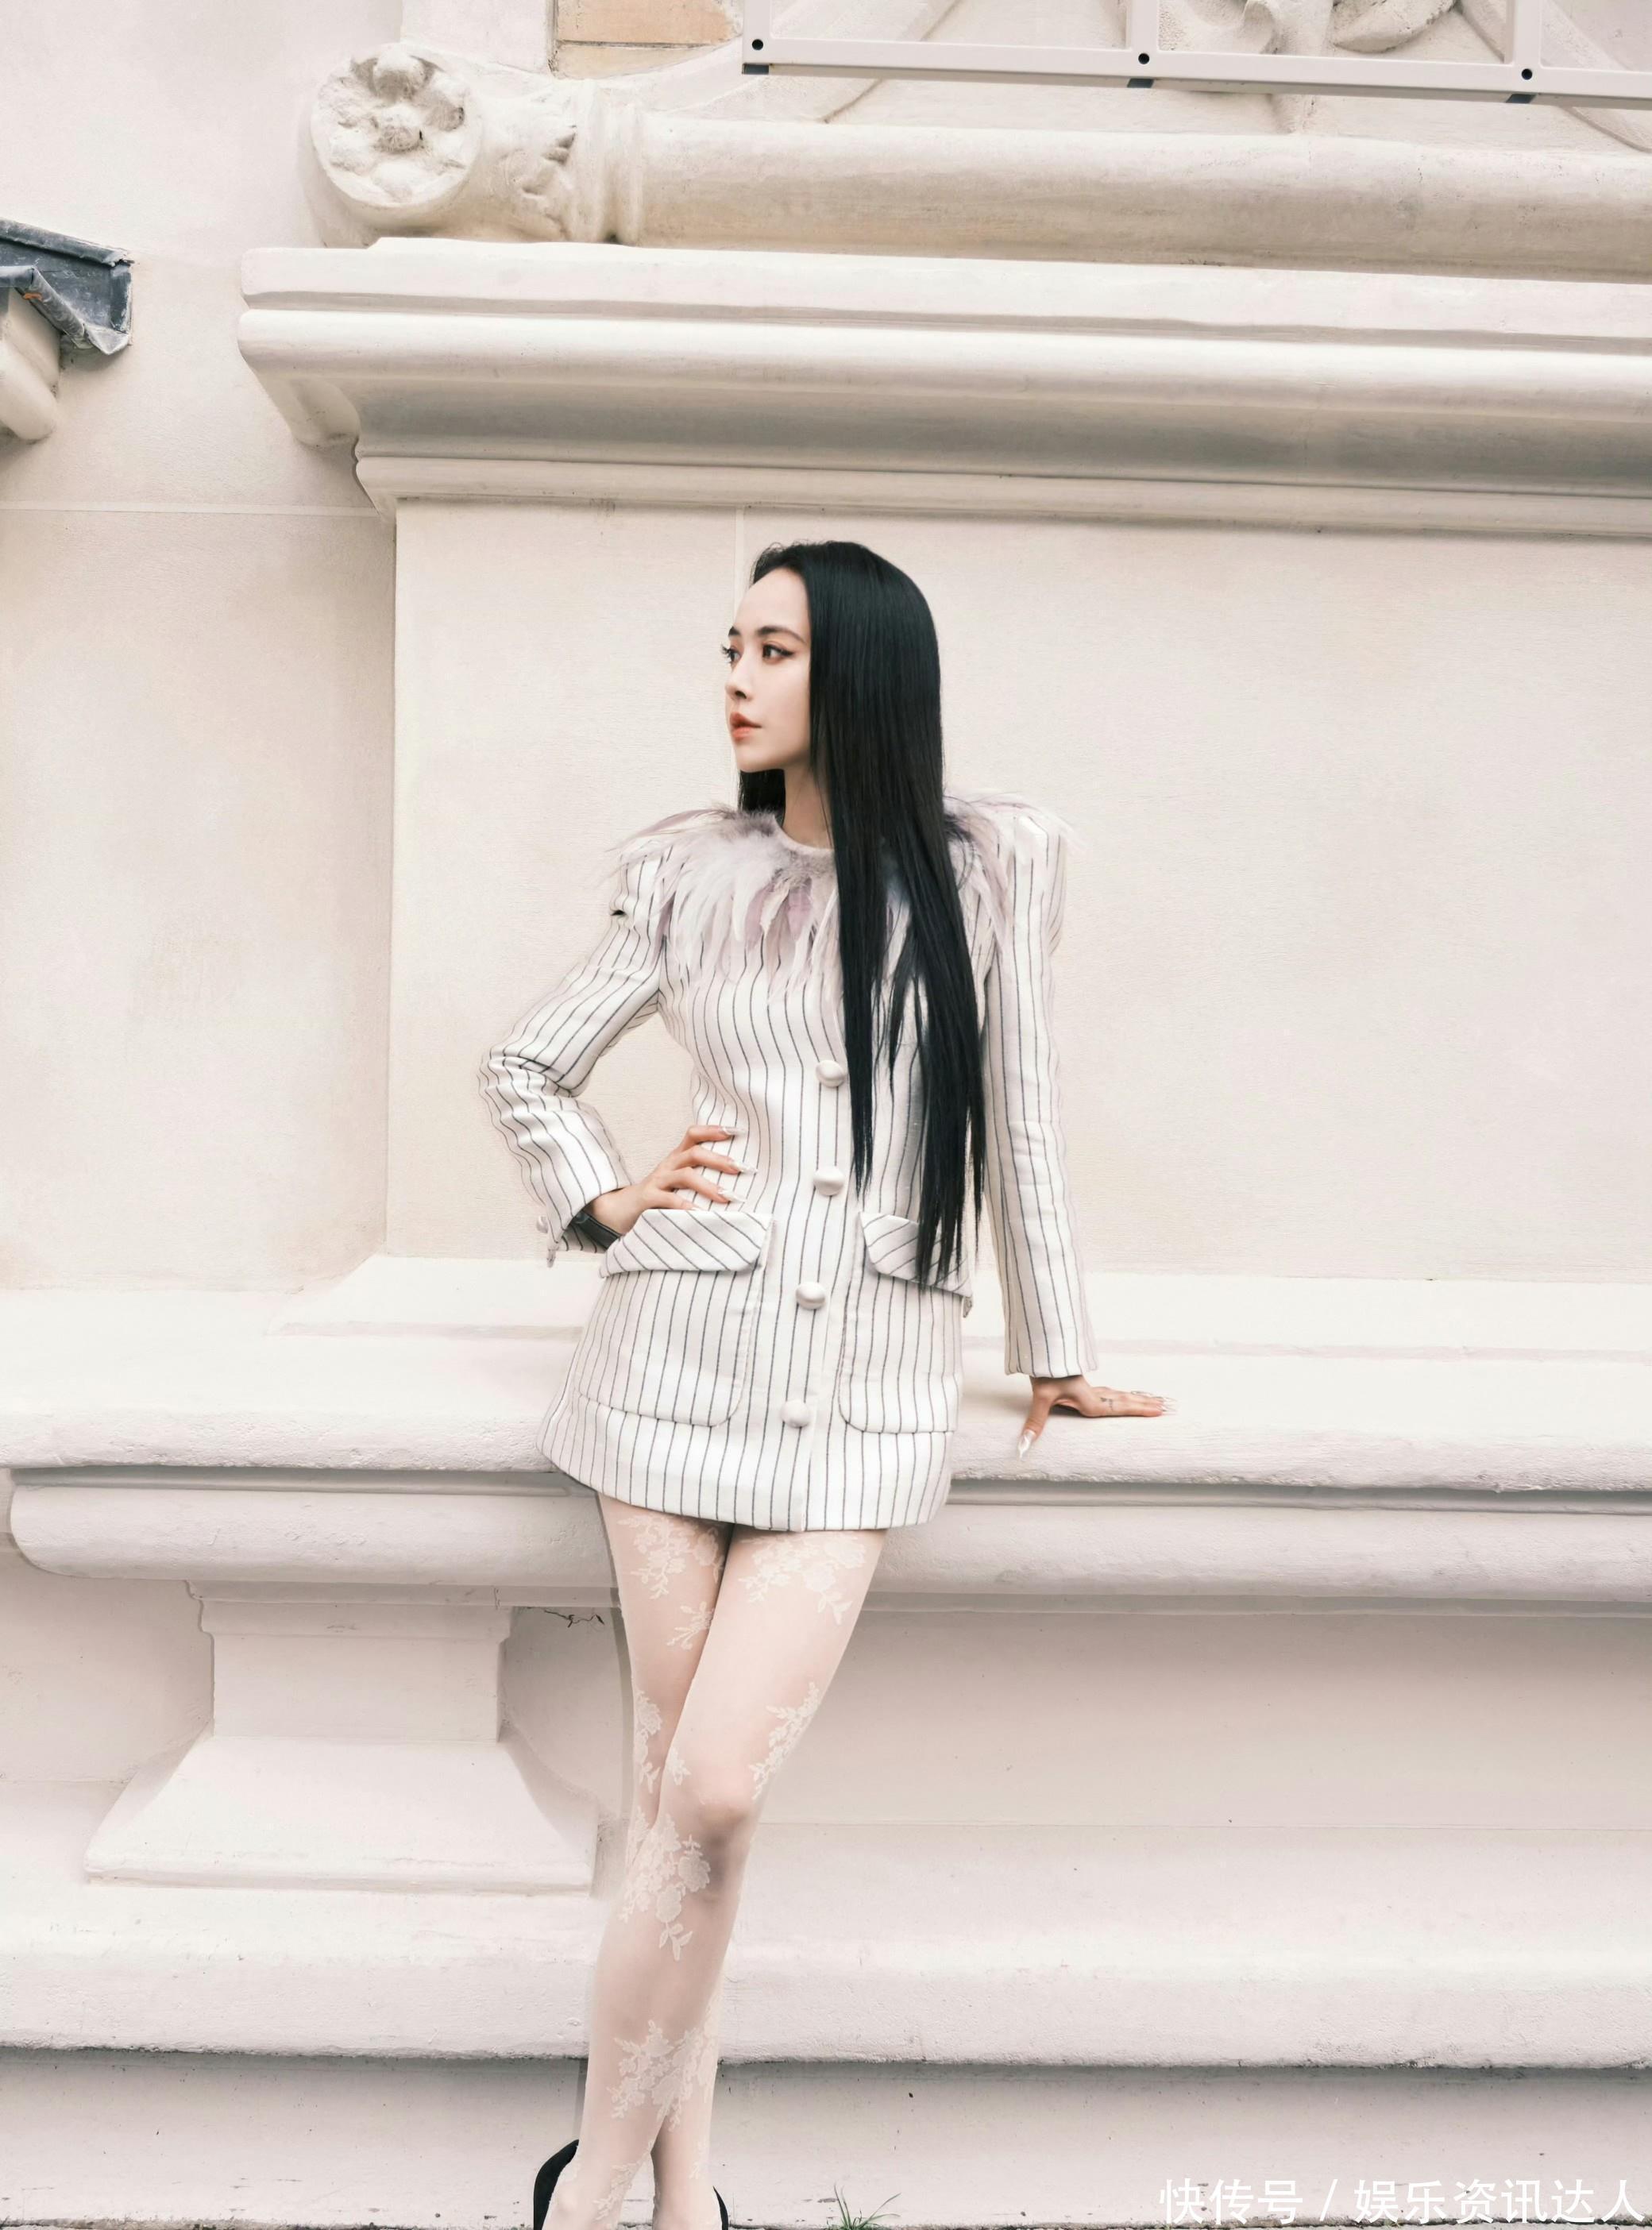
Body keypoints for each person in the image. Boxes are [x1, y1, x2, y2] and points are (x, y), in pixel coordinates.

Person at [478, 538, 1168, 2230]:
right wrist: (605, 1197)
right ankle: (676, 2197)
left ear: (856, 668)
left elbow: (1019, 1112)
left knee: (712, 1792)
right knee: (681, 1810)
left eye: (773, 649)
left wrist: (1057, 1346)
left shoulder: (992, 867)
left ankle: (588, 2186)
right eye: (730, 646)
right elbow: (525, 1062)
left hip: (865, 1388)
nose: (735, 678)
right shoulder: (684, 875)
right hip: (670, 1364)